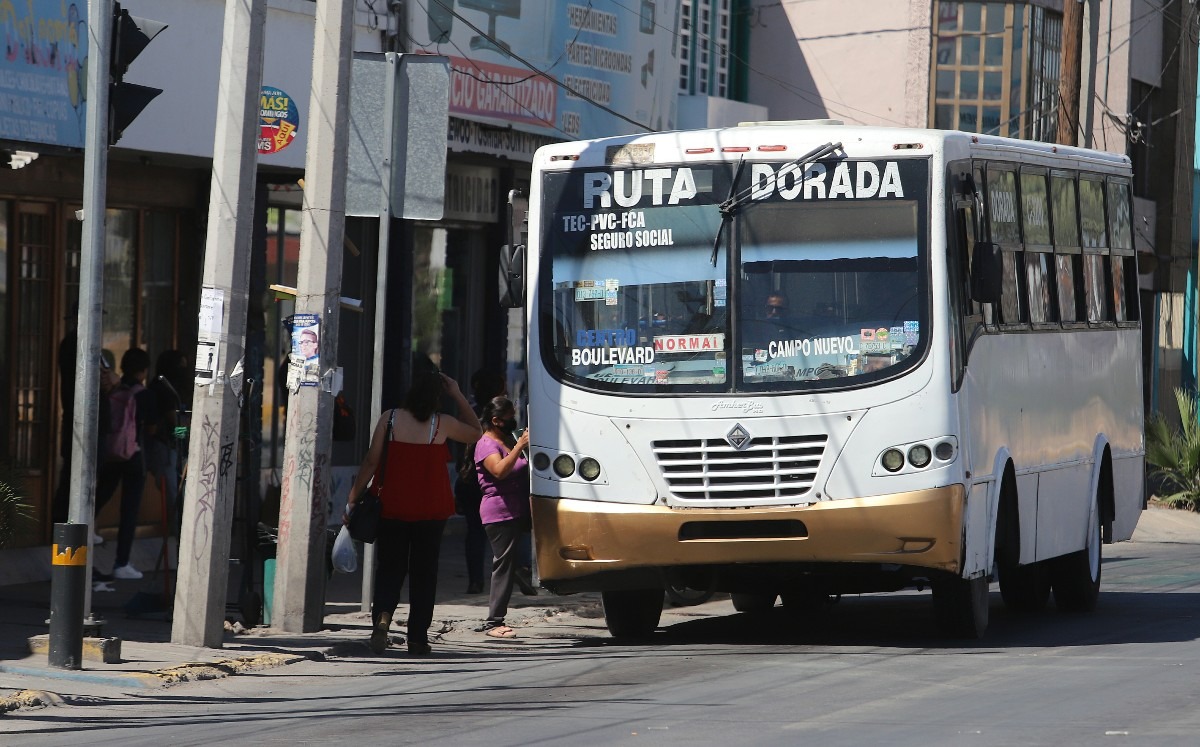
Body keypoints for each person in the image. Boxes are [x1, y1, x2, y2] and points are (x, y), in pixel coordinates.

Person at [345, 358, 480, 655]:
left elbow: (371, 460)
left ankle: (382, 618)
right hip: (431, 510)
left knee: (390, 568)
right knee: (424, 573)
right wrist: (457, 393)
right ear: (437, 395)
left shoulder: (389, 418)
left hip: (392, 505)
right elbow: (476, 432)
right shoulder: (441, 423)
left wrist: (353, 497)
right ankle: (417, 638)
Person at [94, 347, 156, 580]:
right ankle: (121, 563)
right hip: (134, 457)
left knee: (100, 496)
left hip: (110, 454)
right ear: (143, 371)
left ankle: (88, 533)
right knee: (129, 511)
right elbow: (151, 428)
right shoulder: (145, 395)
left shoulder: (113, 391)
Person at [474, 395, 532, 639]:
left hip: (518, 509)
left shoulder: (506, 438)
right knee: (503, 565)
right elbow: (499, 471)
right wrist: (520, 446)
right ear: (496, 420)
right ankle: (494, 621)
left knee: (516, 562)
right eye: (509, 419)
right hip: (499, 512)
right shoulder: (487, 444)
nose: (513, 422)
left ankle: (525, 574)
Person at [454, 369, 507, 594]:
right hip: (497, 479)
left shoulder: (469, 414)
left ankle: (476, 580)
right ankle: (510, 575)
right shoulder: (503, 416)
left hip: (470, 480)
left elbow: (459, 449)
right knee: (505, 532)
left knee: (475, 531)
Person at [145, 350, 188, 534]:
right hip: (164, 447)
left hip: (171, 447)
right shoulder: (164, 388)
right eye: (181, 366)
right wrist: (184, 434)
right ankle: (179, 530)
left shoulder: (169, 387)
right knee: (173, 491)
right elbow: (175, 422)